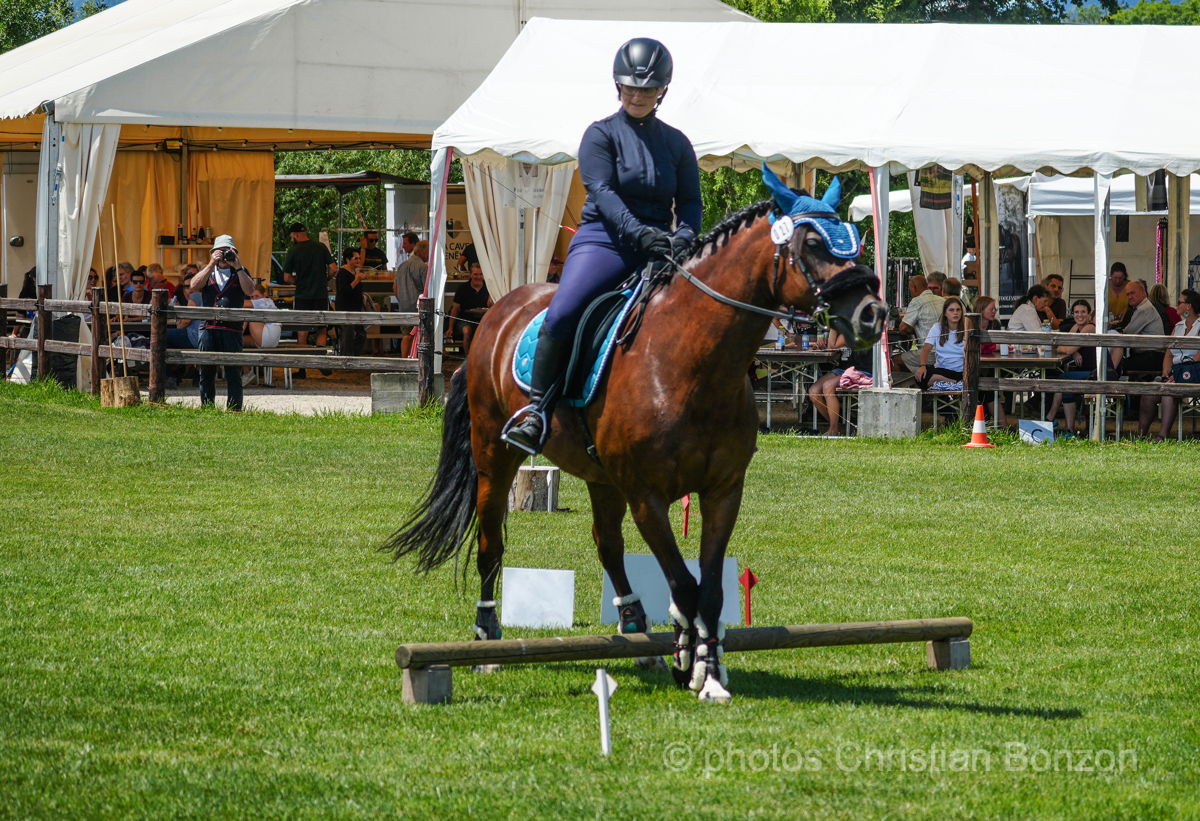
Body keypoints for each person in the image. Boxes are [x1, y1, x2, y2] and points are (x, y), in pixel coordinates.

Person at [501, 38, 702, 454]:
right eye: (630, 88)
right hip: (605, 240)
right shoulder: (600, 134)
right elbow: (603, 192)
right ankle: (537, 412)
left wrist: (685, 235)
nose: (637, 96)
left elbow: (691, 202)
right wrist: (639, 232)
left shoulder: (678, 143)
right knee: (563, 312)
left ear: (662, 90)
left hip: (661, 245)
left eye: (646, 90)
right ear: (618, 86)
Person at [189, 235, 255, 411]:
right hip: (208, 327)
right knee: (207, 372)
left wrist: (238, 266)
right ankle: (207, 407)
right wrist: (211, 264)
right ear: (213, 253)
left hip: (232, 329)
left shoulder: (241, 271)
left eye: (228, 251)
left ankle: (234, 409)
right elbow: (193, 286)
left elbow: (250, 290)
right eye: (221, 251)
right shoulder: (207, 270)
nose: (225, 256)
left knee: (233, 372)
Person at [1139, 289, 1200, 440]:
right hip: (1176, 372)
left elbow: (1198, 356)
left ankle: (1162, 436)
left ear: (1189, 306)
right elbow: (1168, 354)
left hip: (1193, 372)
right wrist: (1166, 374)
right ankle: (1140, 436)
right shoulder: (1178, 327)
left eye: (1179, 302)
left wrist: (1177, 375)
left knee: (1168, 394)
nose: (1176, 305)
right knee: (1148, 394)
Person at [281, 221, 336, 358]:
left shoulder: (293, 250)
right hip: (321, 294)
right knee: (322, 329)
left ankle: (302, 367)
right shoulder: (321, 247)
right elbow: (334, 269)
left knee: (302, 331)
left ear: (294, 235)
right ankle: (320, 358)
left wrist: (298, 282)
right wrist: (325, 280)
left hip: (302, 295)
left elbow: (287, 277)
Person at [1045, 299, 1097, 436]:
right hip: (1085, 371)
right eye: (1077, 312)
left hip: (1097, 373)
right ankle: (1070, 430)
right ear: (1072, 314)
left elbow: (1066, 349)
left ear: (1089, 314)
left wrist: (1071, 350)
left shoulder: (1090, 327)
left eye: (1083, 312)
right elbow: (1061, 346)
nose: (1080, 315)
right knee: (1066, 387)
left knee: (1063, 378)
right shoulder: (1076, 328)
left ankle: (1050, 418)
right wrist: (1074, 351)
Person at [807, 329, 871, 436]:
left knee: (828, 386)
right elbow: (832, 345)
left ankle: (833, 429)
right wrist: (823, 341)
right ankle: (838, 425)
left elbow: (833, 346)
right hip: (843, 369)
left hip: (860, 370)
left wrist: (833, 327)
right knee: (814, 391)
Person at [1108, 279, 1165, 374]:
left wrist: (1112, 332)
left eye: (1133, 293)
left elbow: (1127, 333)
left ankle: (1111, 387)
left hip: (1152, 356)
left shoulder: (1144, 310)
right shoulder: (1143, 307)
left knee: (1117, 366)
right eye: (1127, 294)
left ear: (1143, 292)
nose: (1130, 297)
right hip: (1151, 355)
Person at [914, 297, 968, 391]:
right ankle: (953, 382)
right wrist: (922, 366)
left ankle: (950, 382)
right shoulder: (937, 327)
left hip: (962, 371)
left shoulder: (967, 328)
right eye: (951, 310)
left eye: (958, 310)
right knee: (919, 377)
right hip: (942, 370)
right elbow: (926, 350)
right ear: (945, 313)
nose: (955, 313)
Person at [895, 274, 944, 372]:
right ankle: (918, 384)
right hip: (946, 351)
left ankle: (903, 387)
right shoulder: (942, 300)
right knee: (912, 360)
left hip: (930, 352)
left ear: (914, 288)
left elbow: (902, 328)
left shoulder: (917, 301)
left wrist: (913, 329)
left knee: (894, 360)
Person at [974, 295, 1006, 427]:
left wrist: (992, 347)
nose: (995, 312)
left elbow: (1002, 345)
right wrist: (994, 347)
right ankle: (1004, 427)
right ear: (981, 310)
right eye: (991, 309)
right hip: (973, 366)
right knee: (988, 388)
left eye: (995, 309)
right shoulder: (972, 324)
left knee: (990, 385)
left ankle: (1000, 425)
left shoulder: (996, 324)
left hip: (991, 365)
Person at [446, 263, 492, 356]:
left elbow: (491, 306)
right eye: (475, 274)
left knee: (489, 330)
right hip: (465, 320)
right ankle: (467, 359)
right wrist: (450, 327)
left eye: (481, 274)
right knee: (467, 331)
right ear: (470, 274)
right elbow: (455, 309)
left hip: (483, 320)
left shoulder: (489, 288)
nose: (478, 277)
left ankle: (483, 358)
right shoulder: (462, 288)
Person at [394, 240, 429, 356]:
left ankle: (404, 361)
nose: (429, 255)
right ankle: (420, 359)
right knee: (422, 335)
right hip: (418, 308)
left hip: (404, 307)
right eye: (428, 252)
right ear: (422, 252)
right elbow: (427, 289)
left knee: (406, 335)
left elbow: (395, 287)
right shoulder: (423, 267)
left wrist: (402, 301)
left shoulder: (402, 266)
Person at [335, 247, 368, 355]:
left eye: (359, 258)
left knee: (361, 333)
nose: (358, 260)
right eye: (355, 258)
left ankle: (354, 355)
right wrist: (356, 281)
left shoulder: (354, 272)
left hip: (355, 307)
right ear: (348, 259)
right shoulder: (343, 273)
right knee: (347, 334)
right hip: (346, 308)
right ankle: (346, 356)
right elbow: (343, 291)